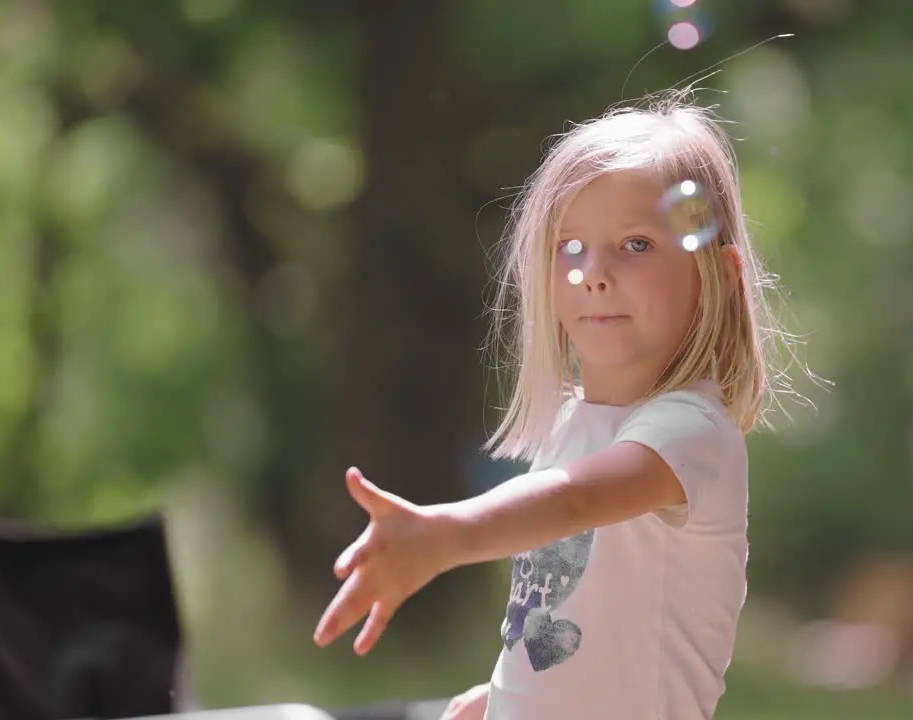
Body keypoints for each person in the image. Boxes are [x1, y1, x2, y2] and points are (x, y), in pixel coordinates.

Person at [313, 91, 800, 719]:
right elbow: (577, 623)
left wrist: (444, 536)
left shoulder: (690, 432)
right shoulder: (573, 424)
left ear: (719, 273)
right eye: (570, 247)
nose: (593, 273)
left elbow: (572, 501)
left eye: (637, 245)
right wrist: (509, 695)